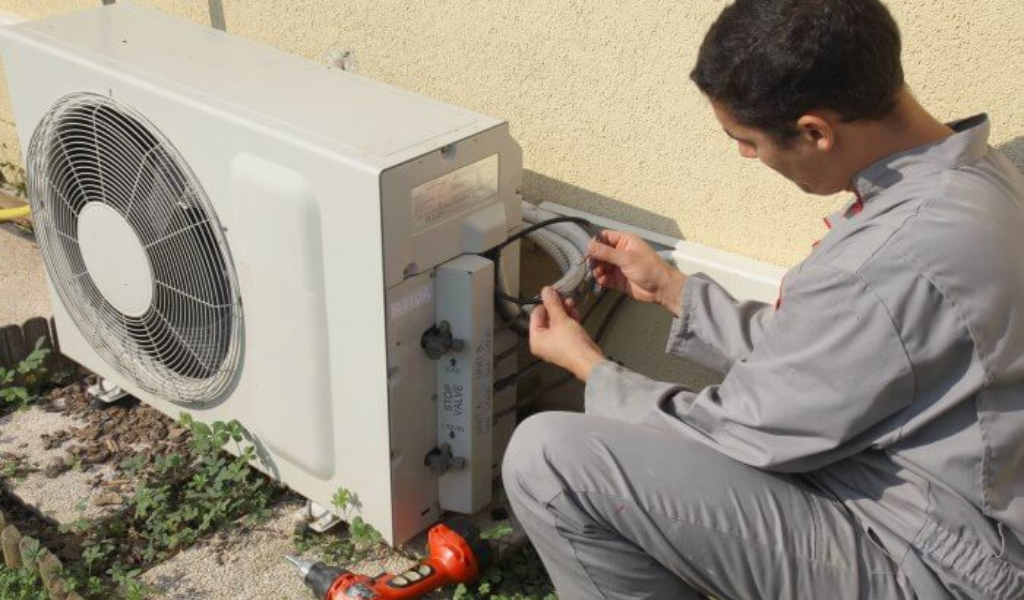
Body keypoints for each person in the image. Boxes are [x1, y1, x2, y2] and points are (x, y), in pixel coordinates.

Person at [501, 1, 1024, 599]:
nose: (746, 157)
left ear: (814, 131)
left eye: (745, 140)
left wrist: (589, 368)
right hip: (961, 521)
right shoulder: (974, 175)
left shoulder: (881, 259)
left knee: (550, 461)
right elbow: (830, 361)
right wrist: (674, 291)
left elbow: (743, 431)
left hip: (944, 566)